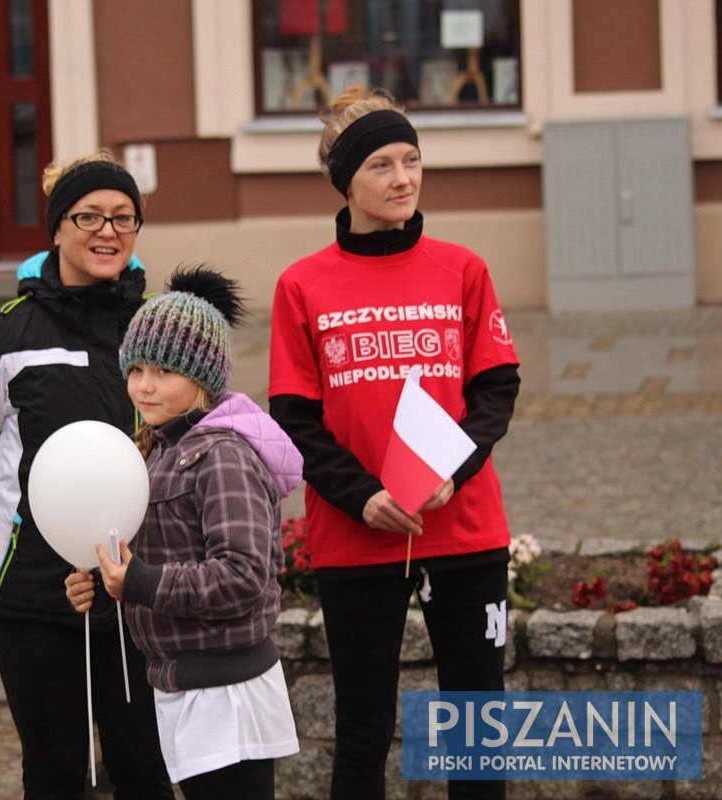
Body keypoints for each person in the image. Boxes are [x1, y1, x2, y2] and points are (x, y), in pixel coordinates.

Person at [268, 85, 520, 800]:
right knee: (363, 731)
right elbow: (294, 414)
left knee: (477, 734)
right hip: (357, 535)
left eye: (412, 160)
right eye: (381, 164)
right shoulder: (302, 285)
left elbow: (496, 391)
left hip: (463, 528)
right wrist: (363, 497)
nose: (403, 178)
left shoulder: (463, 268)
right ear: (345, 179)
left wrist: (452, 470)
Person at [0, 151, 173, 799]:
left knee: (145, 769)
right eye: (88, 215)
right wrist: (30, 512)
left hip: (137, 592)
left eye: (124, 218)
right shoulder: (4, 336)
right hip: (33, 596)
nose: (107, 232)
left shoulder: (157, 330)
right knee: (57, 771)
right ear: (56, 229)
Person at [66, 266, 303, 800]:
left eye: (165, 371)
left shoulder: (223, 455)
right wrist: (107, 586)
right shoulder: (155, 448)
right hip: (182, 685)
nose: (145, 385)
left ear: (202, 379)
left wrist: (141, 581)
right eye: (137, 368)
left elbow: (242, 575)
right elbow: (150, 559)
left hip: (228, 693)